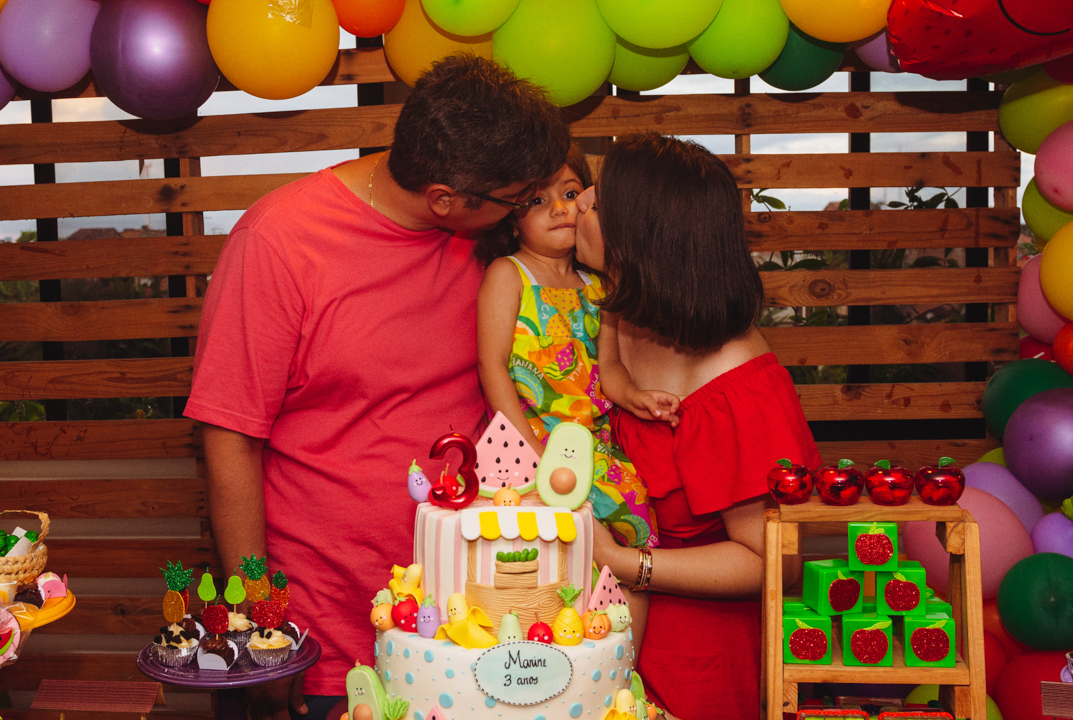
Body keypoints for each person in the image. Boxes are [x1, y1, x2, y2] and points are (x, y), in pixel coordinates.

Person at [183, 54, 570, 720]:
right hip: (326, 634)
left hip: (470, 626)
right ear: (446, 199)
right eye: (518, 200)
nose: (526, 213)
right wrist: (258, 625)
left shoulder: (498, 254)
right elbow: (229, 439)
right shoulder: (280, 243)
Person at [577, 133, 820, 720]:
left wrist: (627, 565)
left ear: (644, 239)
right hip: (605, 643)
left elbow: (776, 562)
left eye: (599, 200)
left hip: (696, 663)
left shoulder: (740, 390)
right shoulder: (620, 311)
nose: (580, 203)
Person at [474, 143, 679, 647]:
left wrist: (634, 396)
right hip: (528, 452)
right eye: (538, 202)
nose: (561, 208)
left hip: (597, 452)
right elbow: (492, 365)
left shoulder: (599, 284)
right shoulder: (508, 274)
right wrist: (531, 455)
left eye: (569, 194)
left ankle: (621, 674)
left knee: (631, 542)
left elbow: (608, 366)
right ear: (511, 220)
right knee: (542, 572)